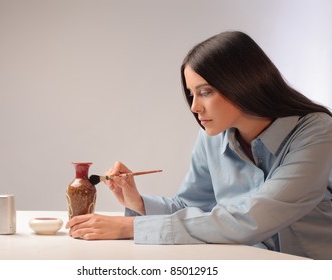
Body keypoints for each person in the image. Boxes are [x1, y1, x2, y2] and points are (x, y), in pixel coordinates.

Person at [66, 31, 332, 259]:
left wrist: (132, 227)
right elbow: (193, 207)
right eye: (192, 94)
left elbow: (255, 217)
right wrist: (139, 204)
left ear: (243, 83)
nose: (195, 107)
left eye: (205, 92)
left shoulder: (316, 132)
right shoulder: (211, 136)